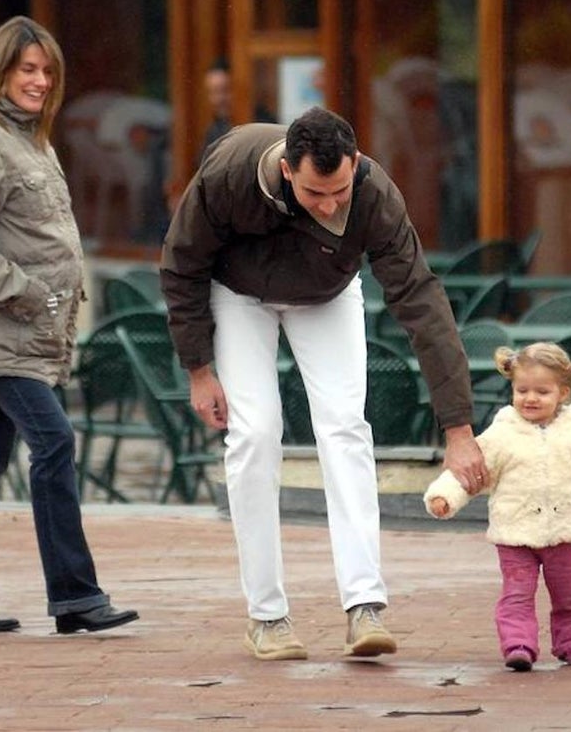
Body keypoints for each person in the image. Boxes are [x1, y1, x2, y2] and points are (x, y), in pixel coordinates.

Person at [160, 106, 488, 661]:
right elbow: (182, 263)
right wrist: (199, 368)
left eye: (339, 189)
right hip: (239, 296)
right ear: (288, 169)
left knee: (344, 426)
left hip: (327, 294)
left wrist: (458, 428)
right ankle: (267, 616)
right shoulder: (228, 174)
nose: (331, 203)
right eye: (316, 193)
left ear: (354, 163)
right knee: (256, 434)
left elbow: (421, 301)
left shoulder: (373, 194)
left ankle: (365, 607)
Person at [0, 15, 137, 636]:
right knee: (55, 441)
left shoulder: (31, 139)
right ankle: (74, 596)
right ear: (1, 71)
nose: (40, 81)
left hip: (27, 333)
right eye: (28, 69)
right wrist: (31, 295)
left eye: (47, 71)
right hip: (0, 332)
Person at [423, 342, 571, 671]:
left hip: (566, 532)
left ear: (563, 392)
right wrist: (446, 495)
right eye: (522, 390)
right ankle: (518, 644)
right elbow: (475, 467)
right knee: (517, 593)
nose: (530, 398)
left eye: (542, 392)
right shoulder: (503, 434)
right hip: (514, 534)